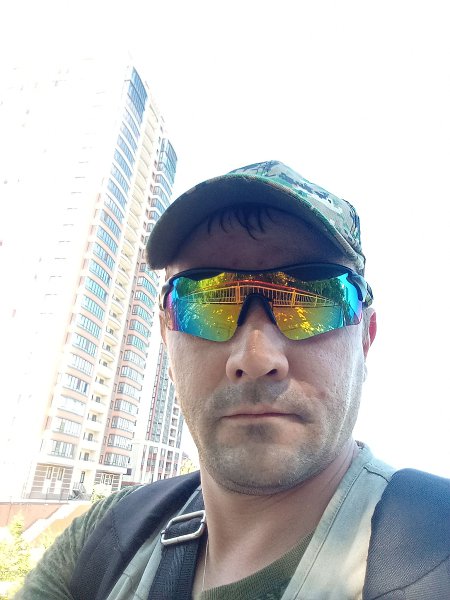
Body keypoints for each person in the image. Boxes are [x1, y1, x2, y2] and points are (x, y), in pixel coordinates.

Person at [16, 161, 450, 599]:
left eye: (311, 301)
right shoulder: (105, 543)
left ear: (365, 341)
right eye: (206, 302)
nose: (256, 358)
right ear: (167, 341)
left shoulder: (437, 551)